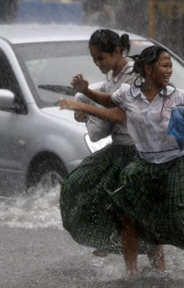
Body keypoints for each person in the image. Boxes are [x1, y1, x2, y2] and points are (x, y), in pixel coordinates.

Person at [58, 45, 184, 281]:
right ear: (148, 68)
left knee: (178, 218)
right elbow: (109, 101)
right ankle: (131, 272)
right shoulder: (128, 94)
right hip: (144, 164)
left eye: (170, 66)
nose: (169, 71)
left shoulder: (179, 97)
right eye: (164, 66)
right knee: (129, 217)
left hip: (176, 163)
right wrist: (85, 93)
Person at [60, 29, 165, 271]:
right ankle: (120, 251)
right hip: (118, 152)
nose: (98, 64)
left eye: (101, 58)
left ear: (118, 51)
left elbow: (120, 115)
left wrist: (87, 99)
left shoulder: (135, 77)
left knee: (135, 217)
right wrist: (84, 113)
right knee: (79, 188)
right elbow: (103, 124)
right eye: (94, 59)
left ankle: (139, 273)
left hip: (139, 154)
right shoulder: (111, 77)